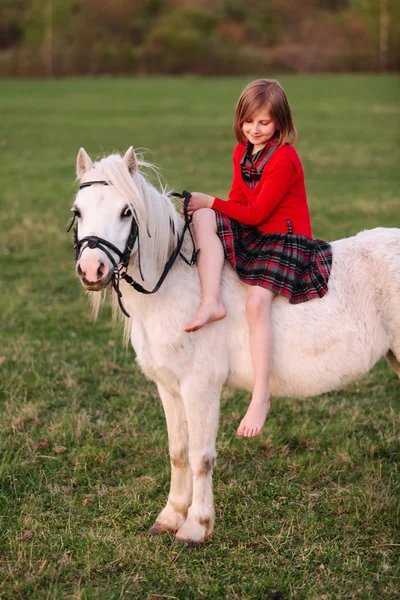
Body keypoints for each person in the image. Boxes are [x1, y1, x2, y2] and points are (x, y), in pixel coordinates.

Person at [180, 79, 332, 438]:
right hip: (258, 230)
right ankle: (212, 301)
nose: (255, 129)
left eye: (263, 123)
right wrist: (208, 207)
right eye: (248, 121)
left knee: (256, 303)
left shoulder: (285, 158)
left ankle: (261, 393)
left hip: (286, 238)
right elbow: (238, 201)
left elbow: (258, 212)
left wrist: (211, 200)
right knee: (200, 217)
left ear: (279, 122)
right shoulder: (241, 151)